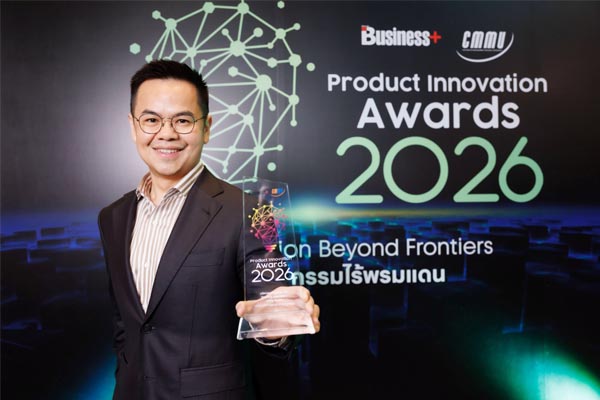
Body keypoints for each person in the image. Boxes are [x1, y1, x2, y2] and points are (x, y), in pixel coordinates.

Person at [98, 59, 320, 400]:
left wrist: (277, 327)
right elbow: (125, 326)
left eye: (183, 120)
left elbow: (270, 308)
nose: (167, 133)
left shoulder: (250, 211)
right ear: (133, 126)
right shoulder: (113, 217)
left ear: (206, 128)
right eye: (151, 120)